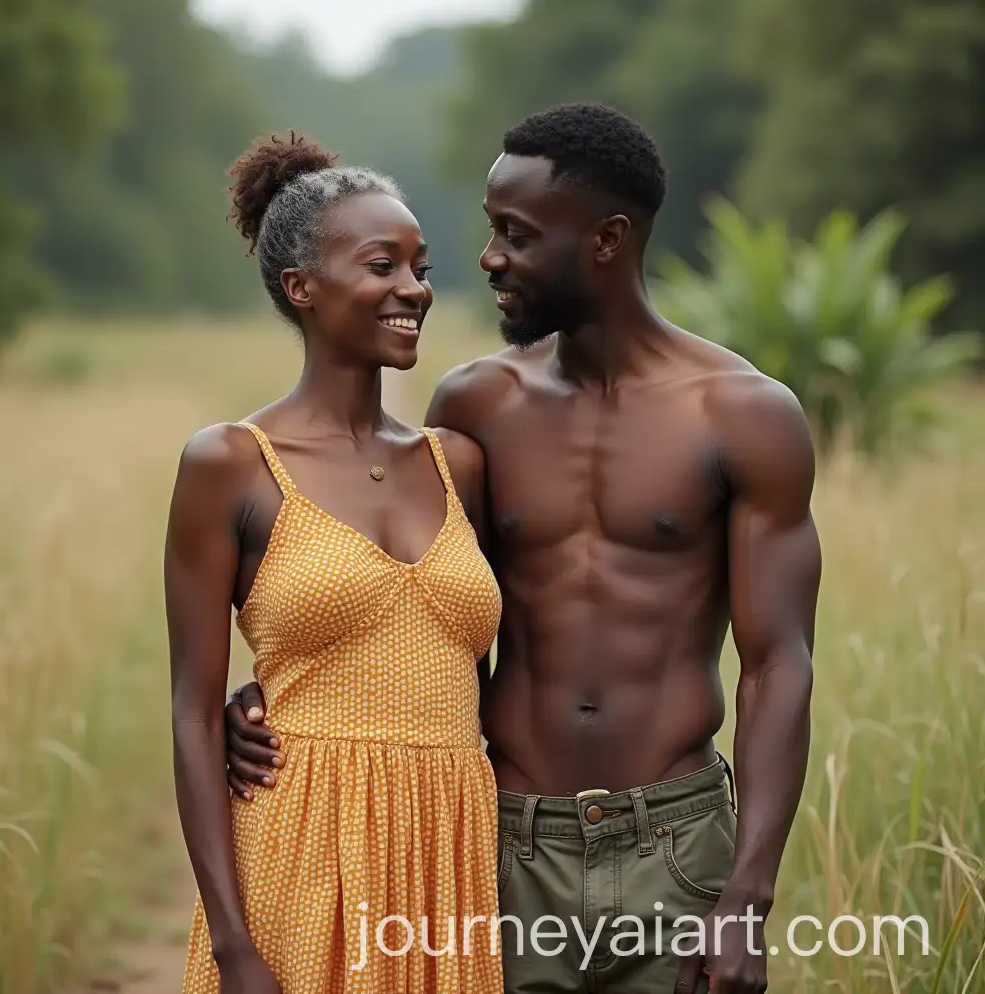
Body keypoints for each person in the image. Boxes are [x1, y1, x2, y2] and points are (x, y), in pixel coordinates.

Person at [223, 103, 822, 994]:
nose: (489, 257)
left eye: (516, 233)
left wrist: (746, 899)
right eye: (490, 228)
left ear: (607, 239)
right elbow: (415, 603)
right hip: (498, 842)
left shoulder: (745, 414)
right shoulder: (474, 410)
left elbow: (779, 665)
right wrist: (287, 691)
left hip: (677, 845)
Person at [165, 130, 506, 994]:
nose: (414, 289)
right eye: (383, 265)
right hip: (303, 848)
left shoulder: (457, 462)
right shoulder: (231, 463)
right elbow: (194, 714)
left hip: (446, 857)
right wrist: (233, 949)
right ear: (302, 288)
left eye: (420, 267)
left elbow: (484, 676)